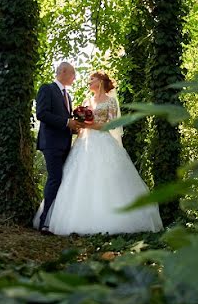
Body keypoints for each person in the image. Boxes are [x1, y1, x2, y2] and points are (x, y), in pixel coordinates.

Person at [33, 71, 163, 235]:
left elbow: (112, 125)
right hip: (84, 143)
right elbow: (78, 122)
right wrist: (80, 126)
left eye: (92, 79)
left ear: (100, 82)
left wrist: (89, 126)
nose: (89, 82)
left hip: (103, 141)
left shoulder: (111, 101)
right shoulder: (87, 101)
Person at [34, 61, 83, 233]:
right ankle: (44, 220)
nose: (74, 78)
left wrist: (74, 127)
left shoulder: (67, 96)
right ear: (62, 71)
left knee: (62, 180)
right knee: (55, 179)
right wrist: (66, 122)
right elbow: (42, 113)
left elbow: (66, 120)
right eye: (73, 74)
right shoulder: (47, 89)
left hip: (65, 143)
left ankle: (55, 220)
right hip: (51, 143)